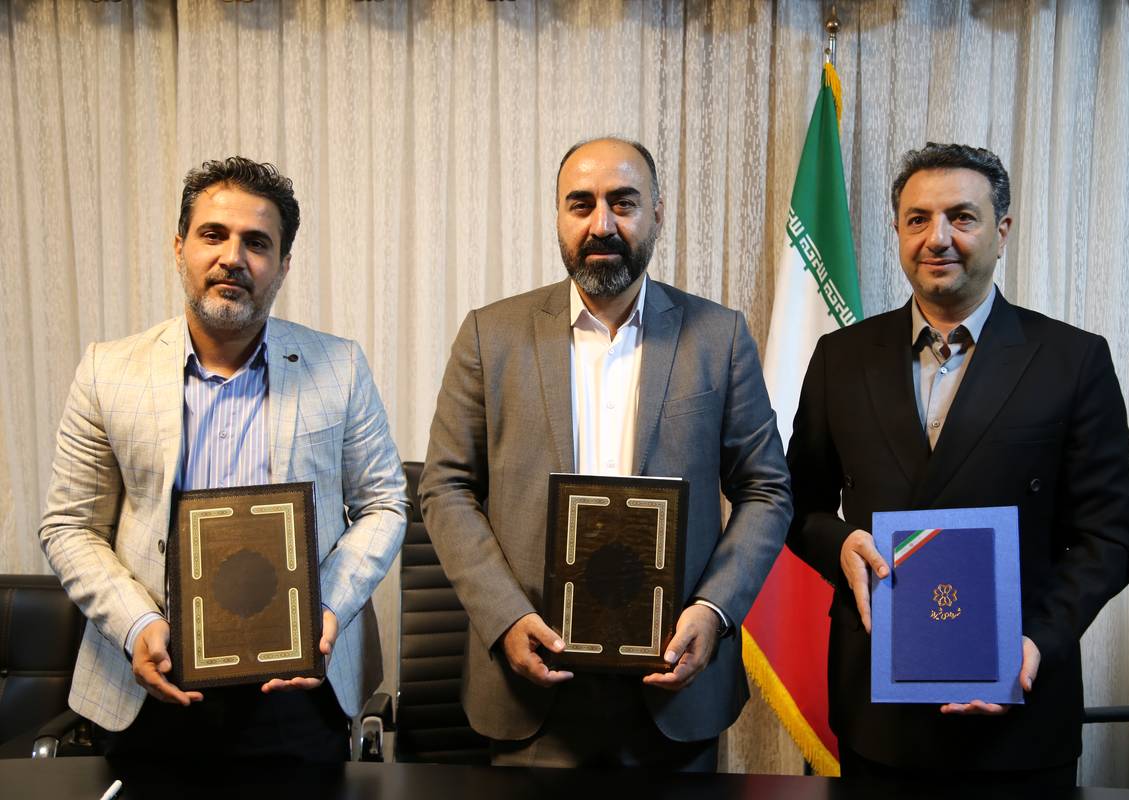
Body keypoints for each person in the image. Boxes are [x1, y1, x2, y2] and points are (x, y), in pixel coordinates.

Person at [420, 137, 792, 770]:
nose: (602, 224)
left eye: (624, 203)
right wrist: (504, 617)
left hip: (674, 685)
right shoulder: (490, 335)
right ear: (558, 216)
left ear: (657, 214)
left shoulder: (719, 337)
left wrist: (714, 609)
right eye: (581, 204)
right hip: (533, 684)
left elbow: (766, 489)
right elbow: (445, 486)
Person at [787, 142, 1129, 785]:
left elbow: (1107, 538)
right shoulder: (840, 357)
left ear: (1002, 232)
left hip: (1018, 704)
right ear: (898, 231)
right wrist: (839, 544)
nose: (937, 238)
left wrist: (1034, 642)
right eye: (918, 219)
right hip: (878, 709)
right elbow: (797, 505)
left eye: (962, 217)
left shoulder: (1073, 360)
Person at [39, 156, 407, 761]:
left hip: (298, 687)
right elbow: (69, 525)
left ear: (283, 265)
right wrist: (135, 623)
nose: (232, 257)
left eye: (256, 243)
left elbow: (385, 505)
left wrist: (327, 607)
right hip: (149, 682)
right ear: (179, 247)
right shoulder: (108, 370)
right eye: (213, 235)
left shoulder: (340, 367)